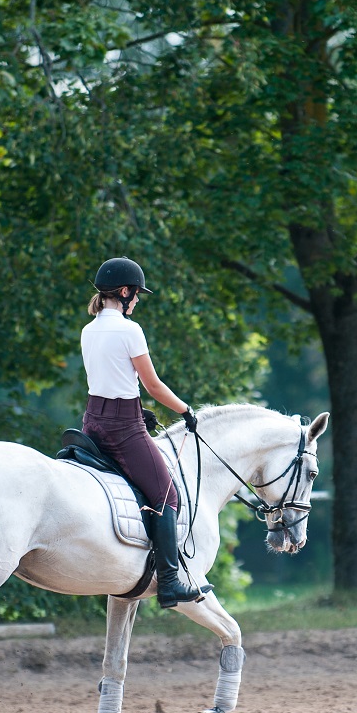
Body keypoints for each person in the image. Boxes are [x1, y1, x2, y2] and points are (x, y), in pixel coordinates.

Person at [80, 256, 210, 608]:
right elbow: (152, 384)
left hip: (91, 423)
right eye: (136, 295)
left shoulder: (88, 329)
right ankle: (169, 583)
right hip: (122, 430)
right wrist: (185, 410)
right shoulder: (129, 330)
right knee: (167, 495)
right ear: (124, 293)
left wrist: (138, 409)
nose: (137, 301)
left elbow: (110, 382)